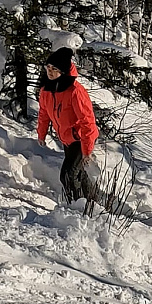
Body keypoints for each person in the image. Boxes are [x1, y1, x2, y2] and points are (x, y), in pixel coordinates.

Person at [36, 47, 100, 209]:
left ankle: (77, 208)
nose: (50, 72)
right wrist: (41, 133)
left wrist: (87, 150)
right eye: (48, 68)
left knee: (68, 174)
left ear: (63, 71)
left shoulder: (75, 92)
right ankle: (92, 202)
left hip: (79, 139)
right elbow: (44, 113)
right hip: (66, 139)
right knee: (78, 173)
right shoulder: (47, 90)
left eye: (55, 69)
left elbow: (88, 121)